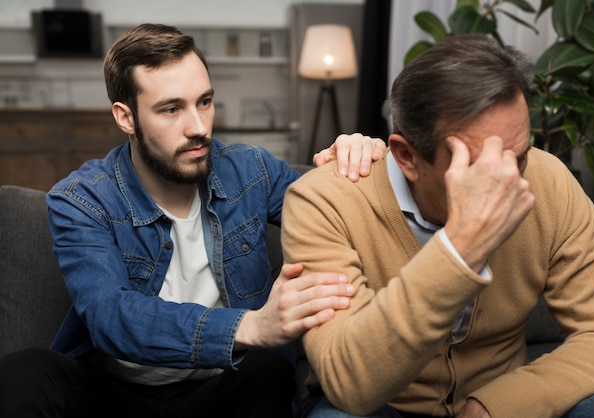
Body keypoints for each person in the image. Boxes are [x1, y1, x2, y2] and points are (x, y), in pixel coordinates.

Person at [0, 23, 386, 418]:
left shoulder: (251, 171)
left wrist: (361, 163)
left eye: (204, 102)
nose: (199, 127)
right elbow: (111, 317)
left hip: (222, 386)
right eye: (171, 109)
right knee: (25, 370)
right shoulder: (82, 199)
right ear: (125, 117)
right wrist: (248, 327)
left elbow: (335, 213)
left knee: (266, 368)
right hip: (110, 395)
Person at [281, 33, 594, 418]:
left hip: (502, 399)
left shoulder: (550, 181)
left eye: (520, 156)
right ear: (407, 156)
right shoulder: (323, 200)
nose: (509, 181)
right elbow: (350, 383)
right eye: (479, 165)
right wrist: (461, 248)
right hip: (379, 405)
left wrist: (498, 406)